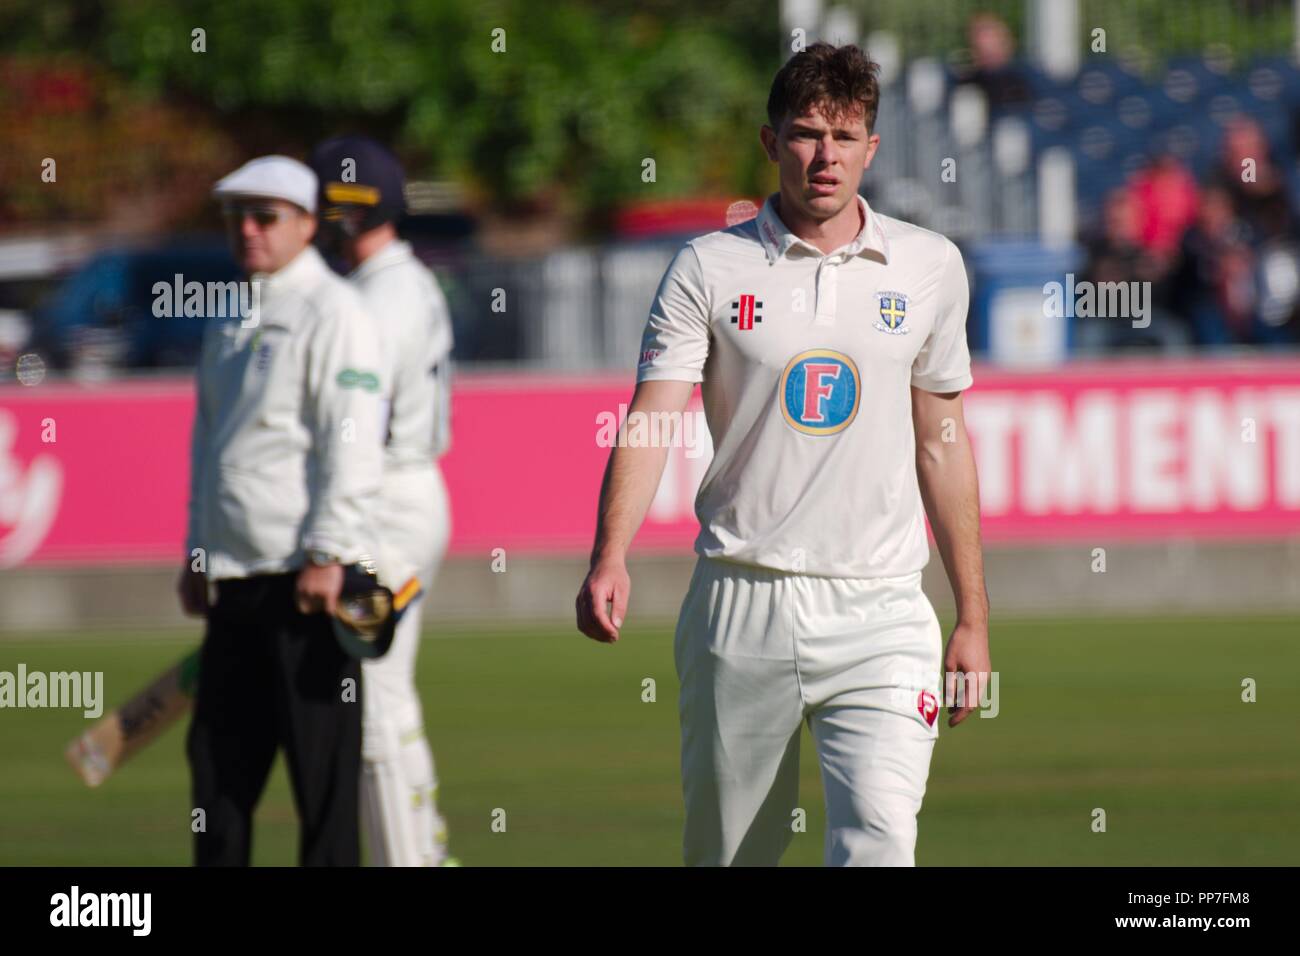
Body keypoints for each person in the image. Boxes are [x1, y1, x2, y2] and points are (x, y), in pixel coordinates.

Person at [575, 42, 991, 867]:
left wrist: (973, 614)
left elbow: (942, 442)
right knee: (731, 856)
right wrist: (609, 553)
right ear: (772, 144)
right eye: (805, 134)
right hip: (742, 597)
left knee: (877, 843)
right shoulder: (708, 266)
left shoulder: (930, 267)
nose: (825, 157)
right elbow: (654, 416)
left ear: (873, 148)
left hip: (882, 608)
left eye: (845, 137)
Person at [178, 155, 385, 866]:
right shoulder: (230, 314)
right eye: (236, 216)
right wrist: (197, 550)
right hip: (235, 579)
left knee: (322, 786)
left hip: (307, 584)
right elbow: (211, 444)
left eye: (265, 216)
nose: (248, 231)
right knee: (216, 777)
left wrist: (329, 552)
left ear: (306, 224)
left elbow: (351, 441)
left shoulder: (337, 311)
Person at [308, 136, 455, 866]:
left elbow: (361, 426)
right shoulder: (405, 283)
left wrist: (336, 535)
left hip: (385, 502)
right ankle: (424, 851)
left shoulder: (375, 298)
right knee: (383, 699)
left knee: (371, 706)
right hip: (404, 493)